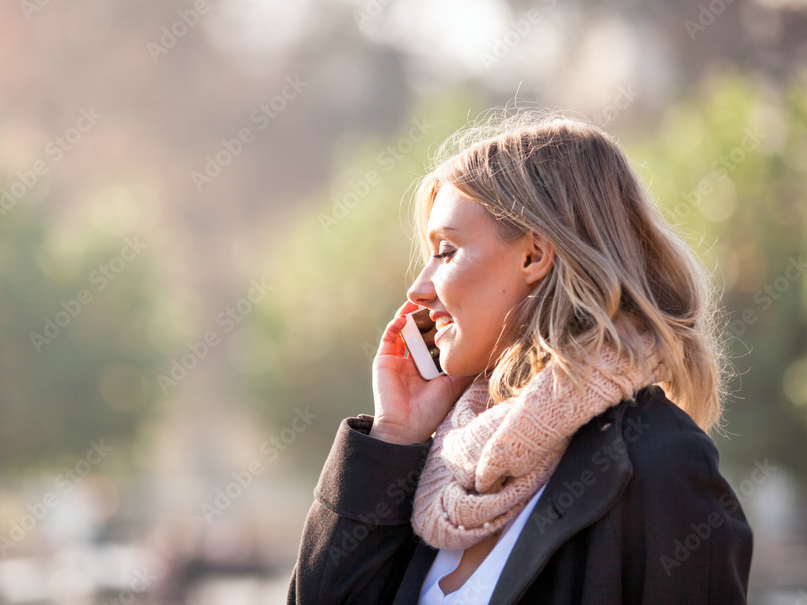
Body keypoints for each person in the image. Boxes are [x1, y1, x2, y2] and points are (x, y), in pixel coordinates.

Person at [286, 110, 753, 604]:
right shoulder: (432, 471)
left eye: (445, 251)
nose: (418, 289)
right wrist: (393, 439)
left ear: (534, 256)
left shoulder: (658, 461)